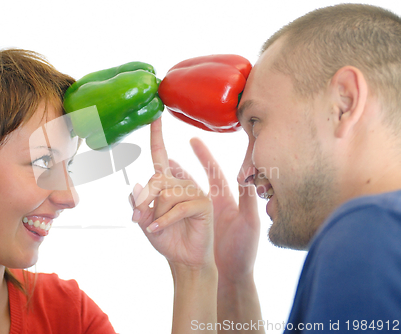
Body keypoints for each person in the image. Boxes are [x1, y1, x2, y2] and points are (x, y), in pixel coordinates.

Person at [0, 48, 218, 333]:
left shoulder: (70, 317)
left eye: (67, 167)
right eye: (42, 162)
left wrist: (193, 272)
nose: (69, 197)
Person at [133, 3, 401, 333]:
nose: (244, 171)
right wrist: (229, 277)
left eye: (256, 122)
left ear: (343, 104)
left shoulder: (369, 231)